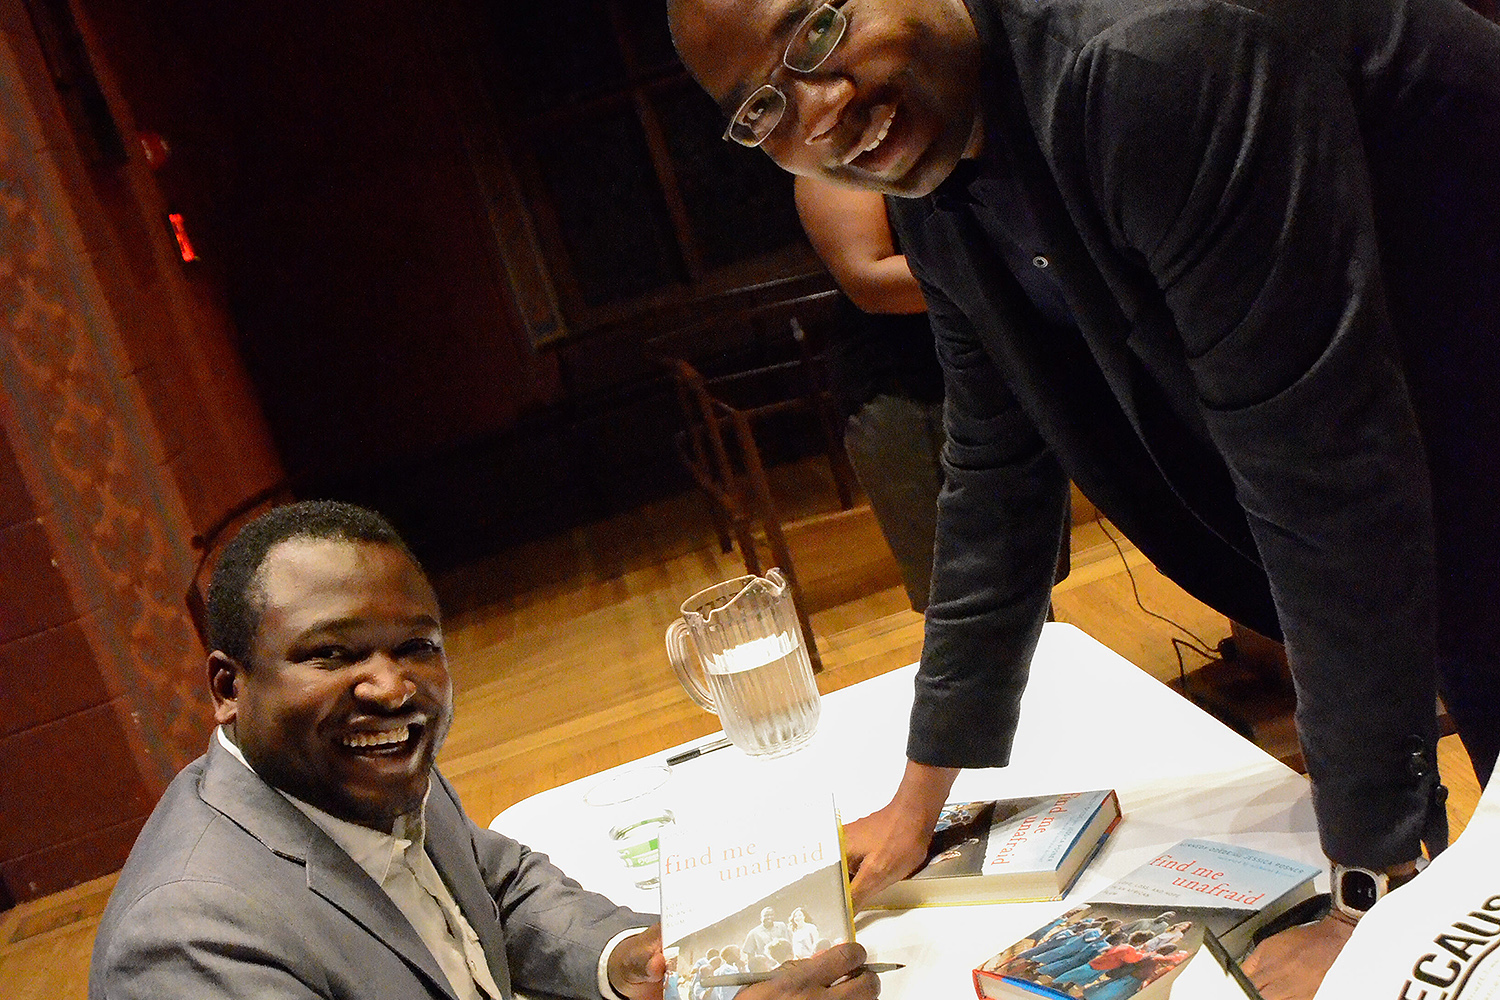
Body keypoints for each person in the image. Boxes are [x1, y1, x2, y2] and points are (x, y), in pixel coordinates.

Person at [665, 0, 1500, 995]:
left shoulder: (1150, 55)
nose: (819, 111)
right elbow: (993, 469)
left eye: (815, 35)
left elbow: (1321, 470)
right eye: (764, 109)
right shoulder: (941, 184)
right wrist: (920, 792)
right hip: (1438, 458)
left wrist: (1367, 897)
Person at [88, 500, 880, 1000]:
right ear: (228, 687)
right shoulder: (187, 946)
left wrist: (625, 957)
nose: (391, 688)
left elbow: (494, 884)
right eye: (331, 655)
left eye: (416, 646)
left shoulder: (358, 776)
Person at [794, 175, 945, 611]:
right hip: (906, 390)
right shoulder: (827, 159)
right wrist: (1006, 255)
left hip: (983, 367)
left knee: (1026, 573)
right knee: (960, 593)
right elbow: (870, 281)